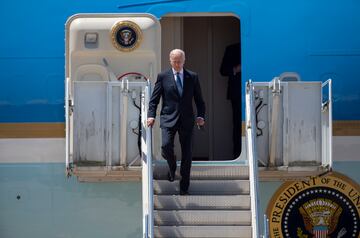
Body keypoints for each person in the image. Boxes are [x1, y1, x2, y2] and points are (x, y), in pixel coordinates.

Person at [147, 49, 205, 195]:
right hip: (168, 118)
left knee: (187, 154)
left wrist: (201, 116)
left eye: (180, 61)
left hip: (187, 120)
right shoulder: (163, 76)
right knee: (166, 146)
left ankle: (184, 186)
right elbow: (154, 100)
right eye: (175, 61)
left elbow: (199, 100)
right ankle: (172, 166)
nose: (178, 64)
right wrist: (151, 116)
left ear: (184, 60)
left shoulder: (192, 76)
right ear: (170, 60)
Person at [220, 42, 242, 159]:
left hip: (257, 93)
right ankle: (237, 154)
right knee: (238, 125)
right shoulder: (232, 49)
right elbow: (223, 70)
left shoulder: (256, 47)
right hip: (237, 94)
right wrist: (236, 69)